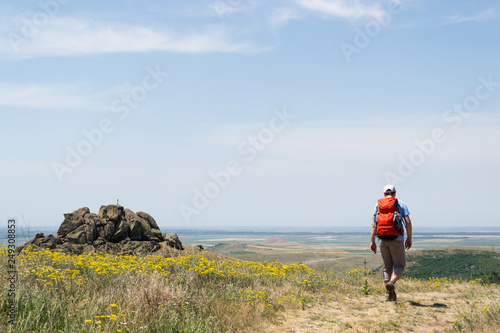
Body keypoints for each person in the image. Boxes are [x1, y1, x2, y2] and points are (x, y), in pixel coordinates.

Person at [370, 184, 412, 302]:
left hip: (382, 239)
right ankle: (392, 283)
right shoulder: (400, 204)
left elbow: (374, 224)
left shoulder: (378, 205)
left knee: (387, 267)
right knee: (399, 266)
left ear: (384, 194)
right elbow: (407, 221)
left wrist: (372, 242)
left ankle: (389, 295)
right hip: (397, 239)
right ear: (395, 193)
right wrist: (409, 238)